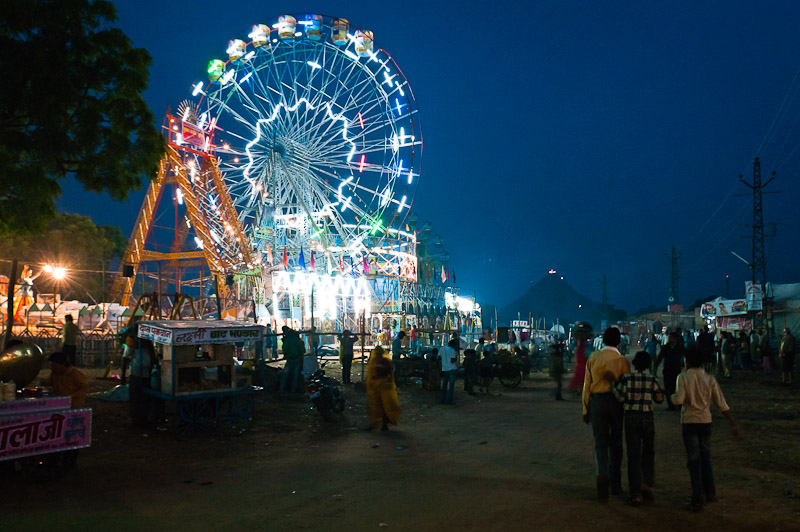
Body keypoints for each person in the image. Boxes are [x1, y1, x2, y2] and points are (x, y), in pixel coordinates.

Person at [672, 345, 743, 512]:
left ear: (687, 361)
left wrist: (671, 396)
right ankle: (710, 491)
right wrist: (734, 424)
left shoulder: (682, 377)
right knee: (705, 457)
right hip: (705, 421)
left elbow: (678, 399)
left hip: (689, 421)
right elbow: (722, 404)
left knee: (694, 460)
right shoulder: (710, 379)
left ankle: (697, 498)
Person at [582, 327, 631, 501]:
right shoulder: (622, 360)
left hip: (597, 402)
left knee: (600, 443)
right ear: (619, 341)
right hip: (616, 404)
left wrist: (585, 409)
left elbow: (587, 386)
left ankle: (602, 478)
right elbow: (627, 388)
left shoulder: (593, 357)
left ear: (603, 340)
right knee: (616, 443)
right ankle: (616, 484)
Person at [613, 351, 665, 506]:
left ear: (634, 363)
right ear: (648, 365)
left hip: (631, 417)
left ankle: (635, 493)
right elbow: (660, 399)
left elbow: (621, 398)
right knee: (648, 453)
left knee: (633, 454)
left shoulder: (627, 378)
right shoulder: (651, 379)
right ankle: (647, 485)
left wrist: (613, 386)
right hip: (648, 417)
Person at [365, 346, 401, 431]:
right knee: (376, 405)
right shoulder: (375, 361)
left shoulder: (385, 362)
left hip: (384, 386)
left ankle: (384, 424)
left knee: (385, 406)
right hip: (377, 386)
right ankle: (375, 423)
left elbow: (389, 373)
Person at [654, 332, 684, 411]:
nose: (669, 339)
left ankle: (678, 404)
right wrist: (655, 367)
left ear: (675, 339)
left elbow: (685, 356)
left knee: (676, 388)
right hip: (667, 370)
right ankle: (671, 405)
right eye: (669, 338)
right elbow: (660, 357)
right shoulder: (666, 347)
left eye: (671, 338)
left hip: (676, 370)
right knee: (668, 388)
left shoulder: (680, 347)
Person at [279, 326, 305, 393]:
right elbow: (301, 351)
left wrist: (286, 355)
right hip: (296, 359)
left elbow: (285, 349)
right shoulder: (298, 341)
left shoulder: (287, 340)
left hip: (289, 359)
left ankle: (282, 389)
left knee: (285, 374)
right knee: (295, 375)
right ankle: (293, 390)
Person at [439, 338, 458, 405]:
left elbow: (439, 358)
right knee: (451, 386)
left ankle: (442, 399)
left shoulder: (442, 349)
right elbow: (452, 360)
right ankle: (449, 400)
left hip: (444, 369)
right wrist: (456, 357)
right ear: (453, 345)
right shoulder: (452, 350)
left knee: (444, 385)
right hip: (452, 369)